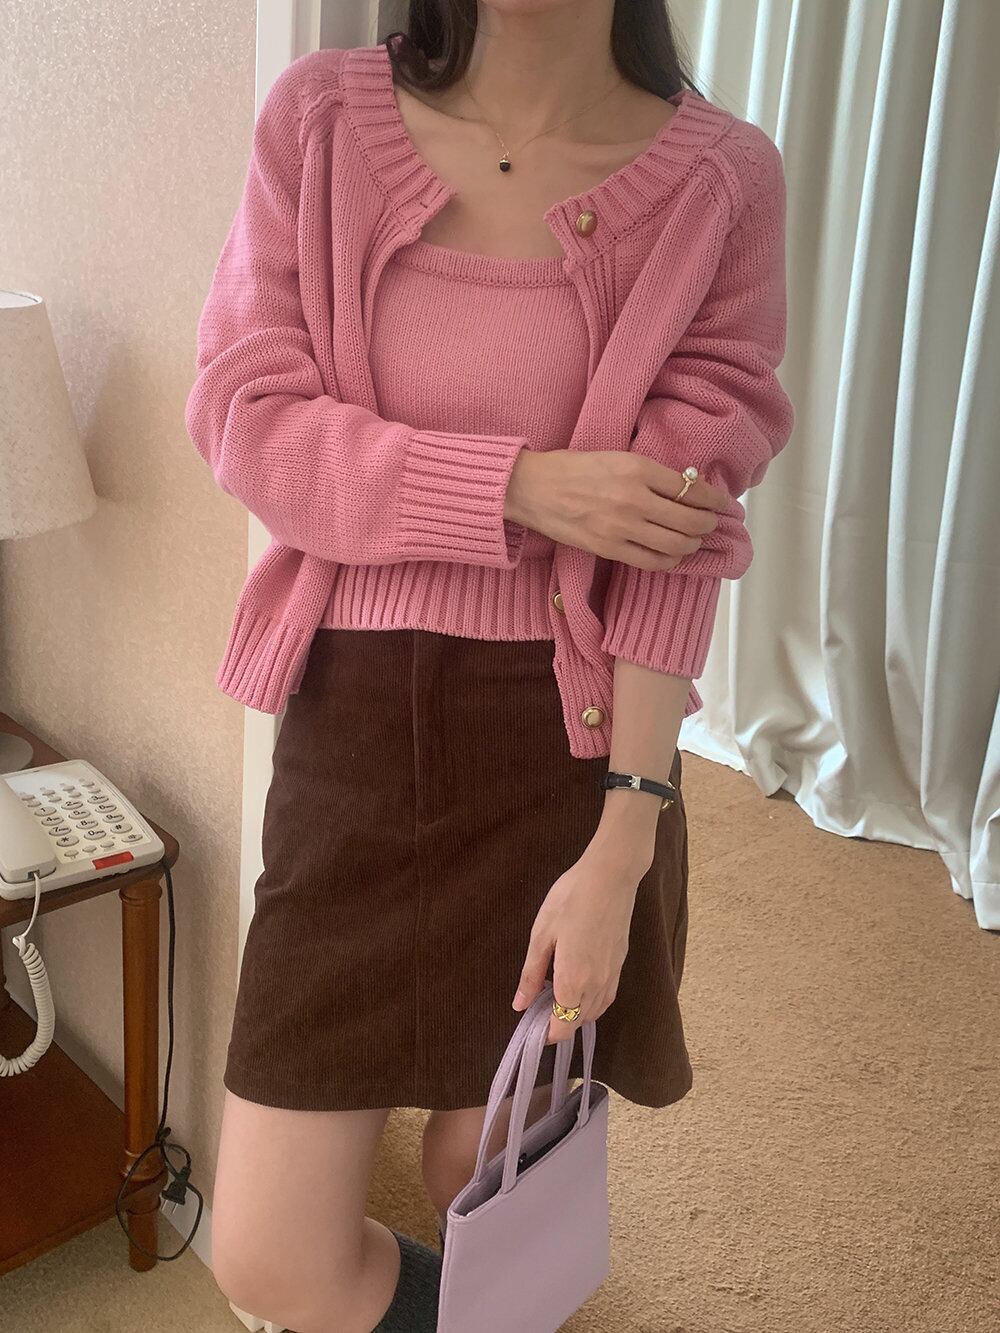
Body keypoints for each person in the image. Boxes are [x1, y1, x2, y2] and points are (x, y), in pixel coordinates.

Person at [184, 3, 794, 1330]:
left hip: (565, 745)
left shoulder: (719, 180)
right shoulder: (320, 121)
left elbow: (679, 538)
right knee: (270, 1253)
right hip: (352, 729)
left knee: (493, 1180)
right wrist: (519, 487)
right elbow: (247, 417)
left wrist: (624, 846)